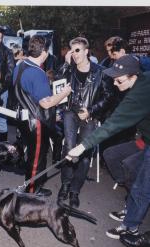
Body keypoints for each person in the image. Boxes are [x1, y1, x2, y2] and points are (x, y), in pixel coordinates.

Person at [67, 55, 150, 247]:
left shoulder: (140, 94)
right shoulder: (140, 81)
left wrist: (80, 147)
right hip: (145, 140)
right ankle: (132, 204)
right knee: (114, 156)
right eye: (113, 77)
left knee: (142, 185)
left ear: (133, 76)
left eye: (119, 79)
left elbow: (113, 125)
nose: (114, 81)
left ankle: (131, 227)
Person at [56, 37, 112, 208]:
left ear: (86, 51)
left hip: (89, 115)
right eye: (71, 51)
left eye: (77, 50)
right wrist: (65, 64)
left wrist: (91, 110)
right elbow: (56, 83)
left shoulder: (101, 71)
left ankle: (75, 190)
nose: (74, 54)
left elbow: (108, 96)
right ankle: (65, 185)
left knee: (85, 154)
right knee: (69, 148)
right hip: (70, 113)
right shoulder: (68, 69)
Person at [13, 35, 71, 197]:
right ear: (44, 52)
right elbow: (46, 103)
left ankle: (34, 186)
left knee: (33, 155)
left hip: (25, 118)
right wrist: (64, 93)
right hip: (36, 120)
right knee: (37, 158)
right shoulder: (37, 73)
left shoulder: (21, 65)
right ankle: (31, 192)